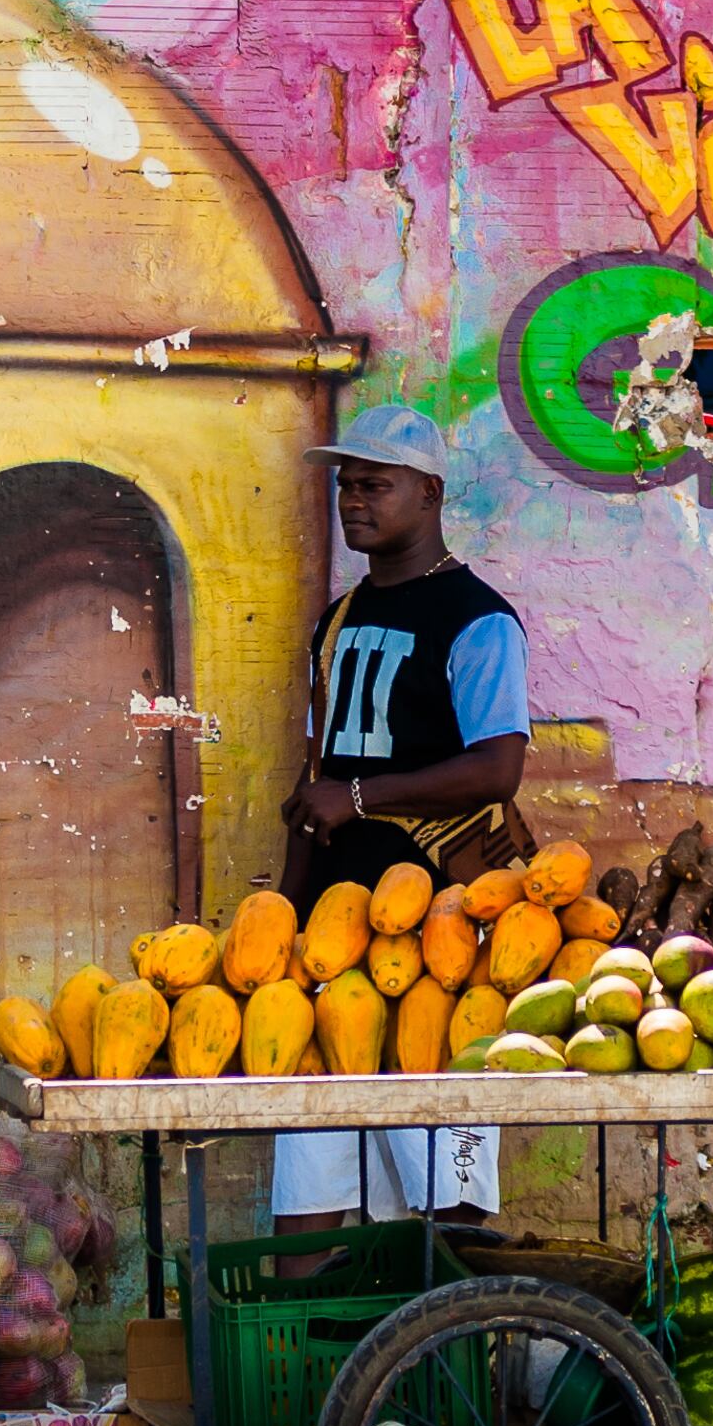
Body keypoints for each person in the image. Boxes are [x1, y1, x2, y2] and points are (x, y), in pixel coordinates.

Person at [273, 405, 531, 1236]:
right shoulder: (336, 622)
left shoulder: (476, 618)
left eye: (374, 484)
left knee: (444, 1174)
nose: (353, 500)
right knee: (312, 1175)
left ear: (429, 494)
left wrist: (358, 800)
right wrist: (285, 920)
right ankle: (304, 1362)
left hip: (440, 938)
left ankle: (454, 1355)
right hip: (332, 936)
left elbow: (499, 767)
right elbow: (315, 783)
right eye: (346, 485)